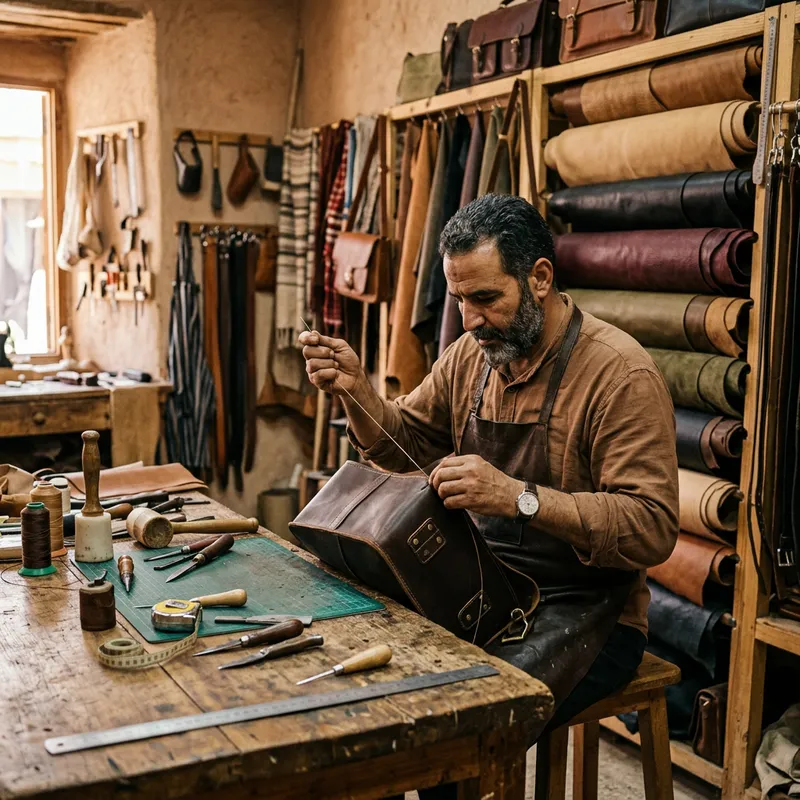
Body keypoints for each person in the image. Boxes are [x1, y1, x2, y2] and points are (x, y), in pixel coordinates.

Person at [299, 194, 679, 790]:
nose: (469, 320)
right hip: (482, 587)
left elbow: (651, 526)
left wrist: (518, 497)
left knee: (458, 726)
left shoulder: (618, 375)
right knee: (373, 698)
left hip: (586, 612)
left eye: (485, 298)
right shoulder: (470, 358)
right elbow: (407, 442)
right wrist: (358, 394)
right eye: (459, 300)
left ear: (540, 278)